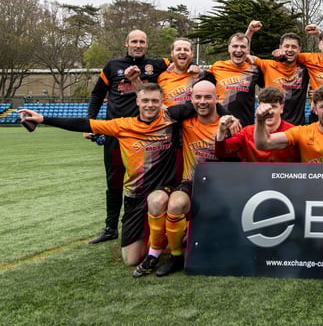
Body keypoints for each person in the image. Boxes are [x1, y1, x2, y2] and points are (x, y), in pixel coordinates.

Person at [20, 83, 212, 266]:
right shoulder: (122, 125)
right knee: (131, 259)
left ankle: (174, 237)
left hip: (163, 191)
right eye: (145, 101)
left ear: (162, 102)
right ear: (137, 102)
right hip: (134, 197)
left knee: (164, 204)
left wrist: (231, 118)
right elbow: (84, 123)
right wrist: (43, 119)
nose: (150, 105)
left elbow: (207, 103)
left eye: (155, 101)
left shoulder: (171, 117)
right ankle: (159, 240)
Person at [85, 30, 169, 245]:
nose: (138, 45)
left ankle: (147, 227)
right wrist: (91, 121)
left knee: (147, 180)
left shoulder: (157, 65)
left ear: (147, 44)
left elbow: (180, 66)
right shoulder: (112, 66)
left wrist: (194, 68)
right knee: (114, 180)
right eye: (134, 41)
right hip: (117, 132)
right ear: (127, 43)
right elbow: (96, 94)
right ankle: (111, 227)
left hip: (147, 134)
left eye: (142, 41)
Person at [134, 80, 223, 277]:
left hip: (220, 185)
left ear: (217, 98)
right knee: (169, 203)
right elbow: (147, 118)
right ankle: (164, 255)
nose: (202, 101)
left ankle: (183, 249)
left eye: (208, 97)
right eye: (198, 97)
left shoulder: (228, 123)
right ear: (190, 100)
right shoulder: (184, 122)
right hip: (190, 182)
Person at [244, 24, 310, 126]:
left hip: (296, 128)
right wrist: (250, 32)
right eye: (286, 46)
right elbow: (246, 55)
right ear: (280, 47)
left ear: (299, 49)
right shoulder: (268, 65)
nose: (290, 49)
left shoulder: (304, 69)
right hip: (271, 127)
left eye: (294, 47)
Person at [215, 87, 299, 162]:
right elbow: (222, 153)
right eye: (264, 106)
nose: (269, 111)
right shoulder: (247, 132)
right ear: (258, 107)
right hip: (253, 177)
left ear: (281, 108)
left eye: (273, 107)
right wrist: (221, 132)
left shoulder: (293, 132)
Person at [204, 33, 261, 127]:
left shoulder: (255, 70)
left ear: (247, 50)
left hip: (245, 127)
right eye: (235, 46)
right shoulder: (217, 67)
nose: (238, 50)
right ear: (229, 48)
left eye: (243, 47)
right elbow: (196, 79)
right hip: (220, 126)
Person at [157, 38, 202, 106]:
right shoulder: (161, 77)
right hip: (168, 116)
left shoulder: (200, 76)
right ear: (172, 53)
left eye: (186, 50)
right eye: (178, 49)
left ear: (192, 54)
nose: (182, 52)